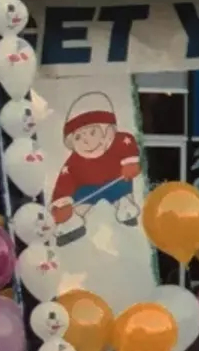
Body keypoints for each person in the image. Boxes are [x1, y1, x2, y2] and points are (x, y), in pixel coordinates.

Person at [52, 91, 143, 246]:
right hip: (87, 189)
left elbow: (128, 146)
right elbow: (64, 181)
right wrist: (61, 204)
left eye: (92, 132)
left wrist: (130, 163)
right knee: (79, 204)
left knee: (122, 194)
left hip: (116, 182)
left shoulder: (119, 141)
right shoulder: (74, 162)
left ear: (107, 131)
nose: (86, 141)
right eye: (78, 137)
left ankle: (125, 206)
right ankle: (70, 223)